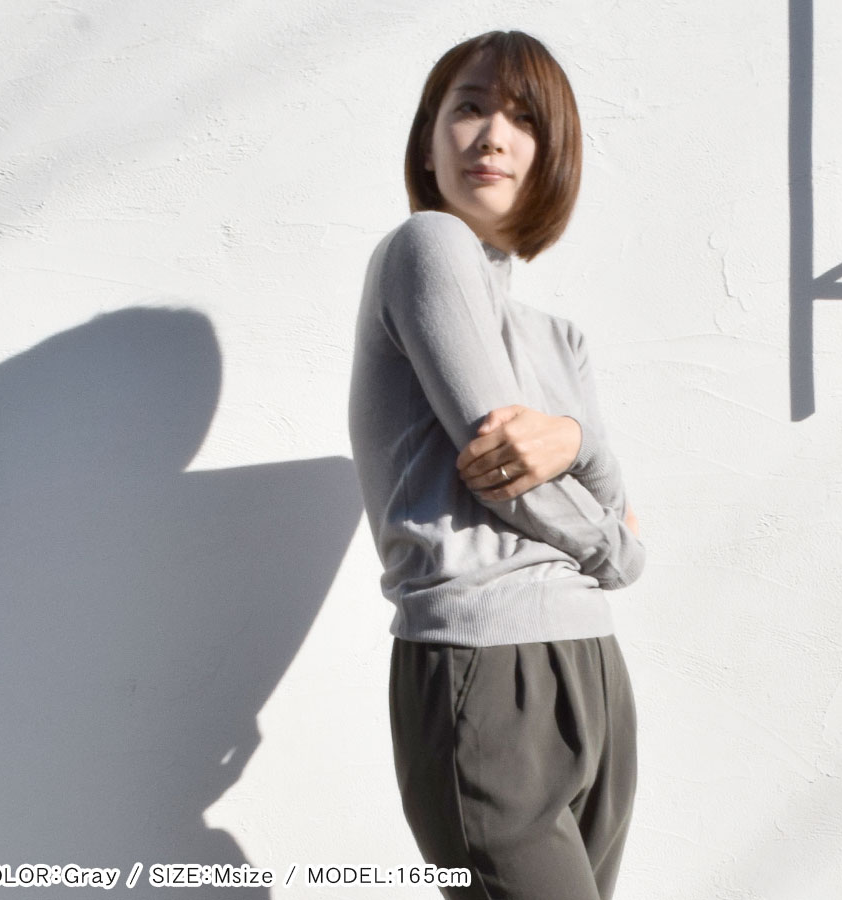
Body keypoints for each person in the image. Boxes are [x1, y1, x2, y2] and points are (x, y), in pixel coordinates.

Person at [348, 29, 645, 900]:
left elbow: (591, 474)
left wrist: (575, 442)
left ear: (553, 153)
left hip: (592, 663)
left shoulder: (560, 337)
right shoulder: (426, 245)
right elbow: (507, 467)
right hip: (481, 664)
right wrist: (616, 546)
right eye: (469, 108)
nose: (492, 137)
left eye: (523, 119)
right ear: (427, 139)